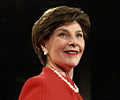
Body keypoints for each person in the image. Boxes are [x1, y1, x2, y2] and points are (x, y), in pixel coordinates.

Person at [18, 6, 90, 100]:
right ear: (44, 45)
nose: (74, 42)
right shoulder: (40, 85)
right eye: (63, 34)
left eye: (78, 35)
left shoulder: (73, 91)